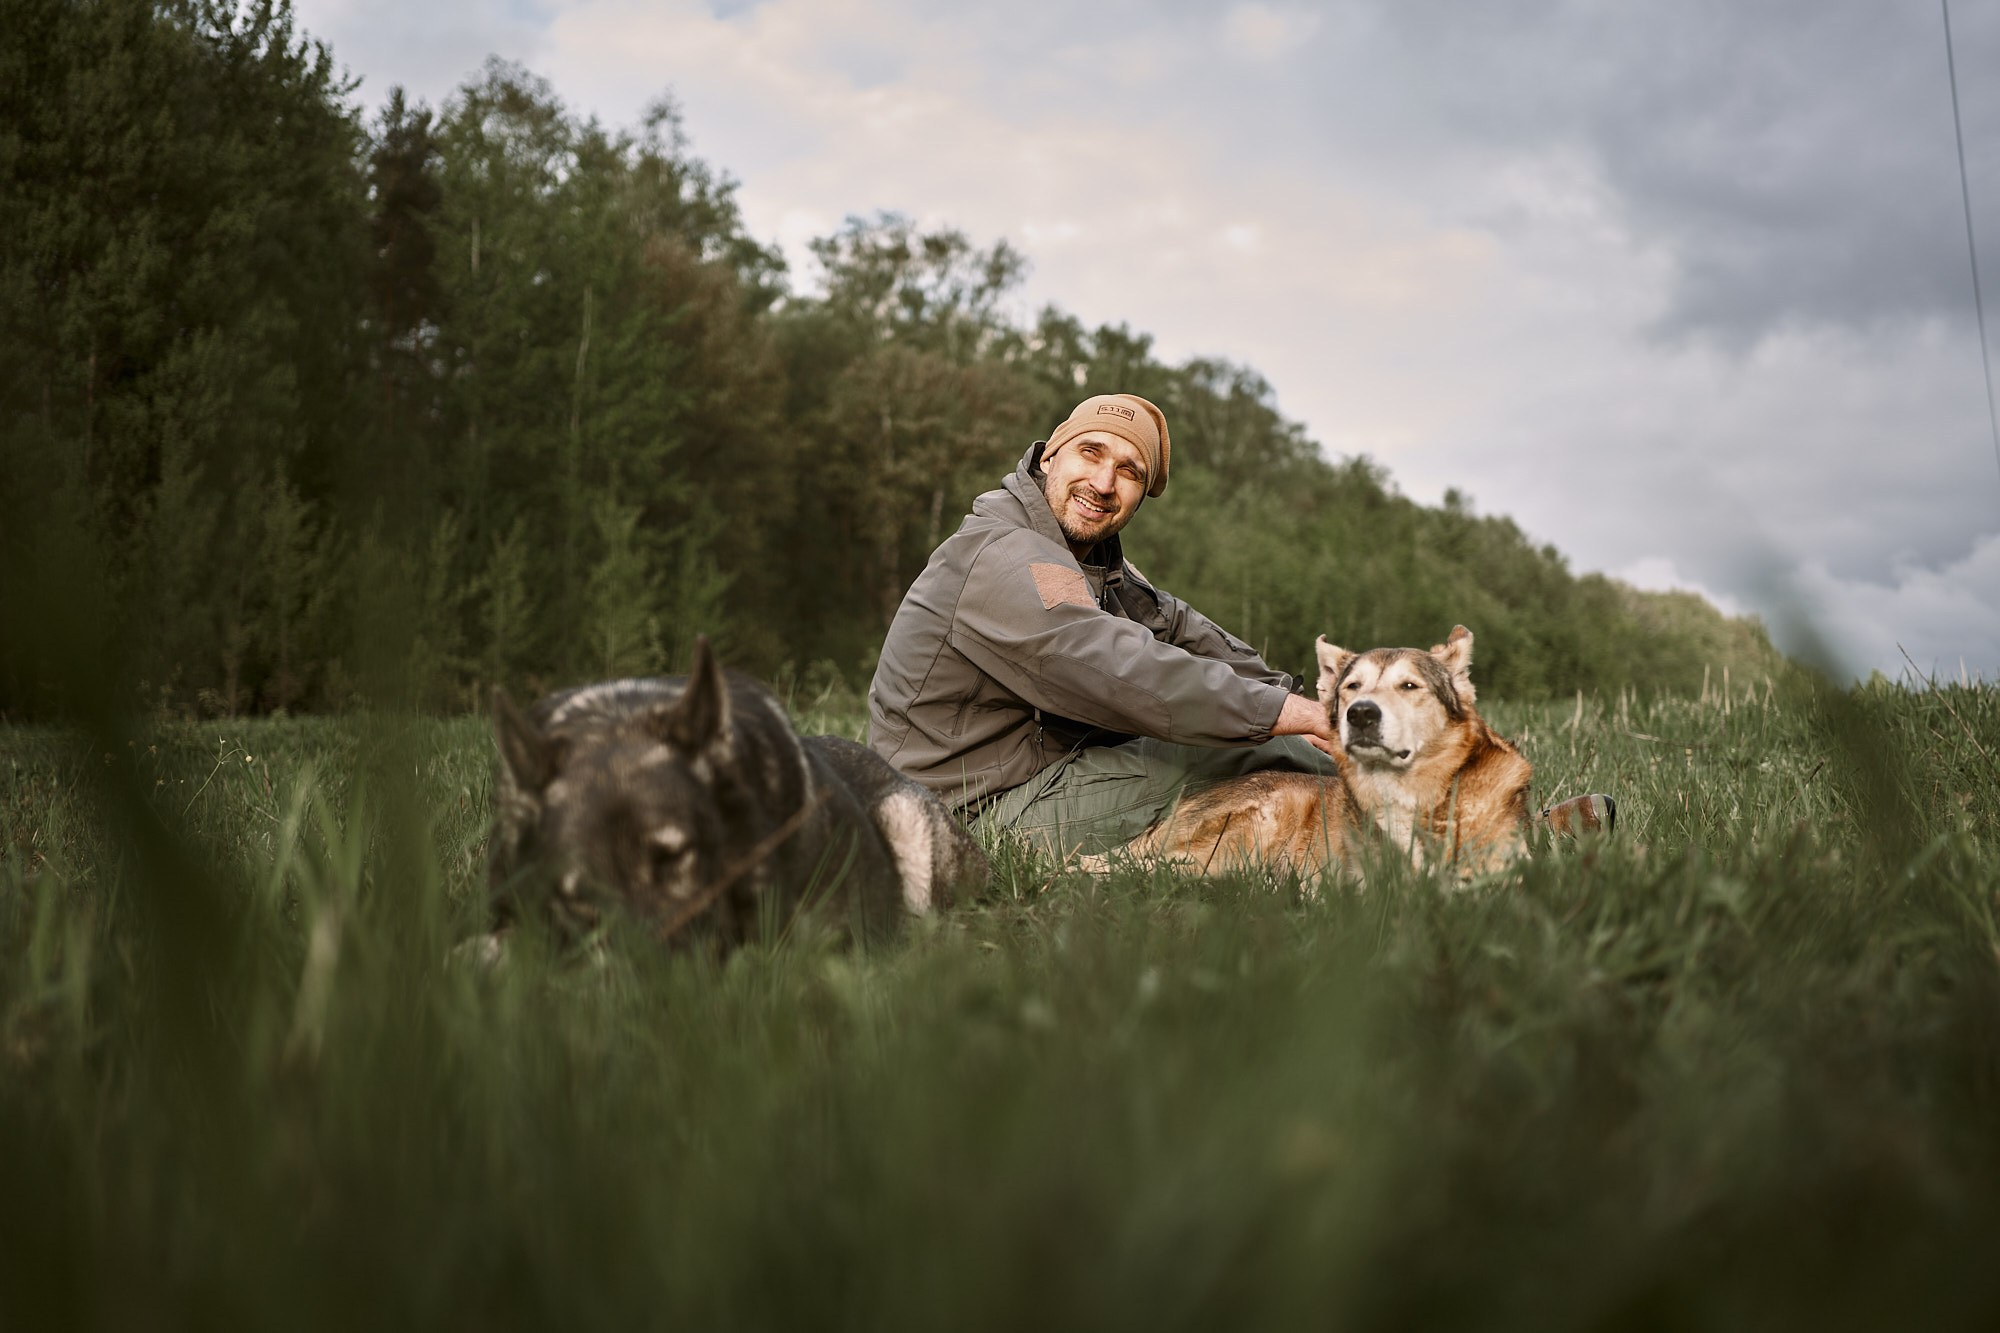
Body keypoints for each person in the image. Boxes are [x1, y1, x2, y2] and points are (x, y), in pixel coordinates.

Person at [867, 392, 1340, 859]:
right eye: (1090, 452)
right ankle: (1391, 832)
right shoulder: (1006, 556)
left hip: (1029, 773)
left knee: (1280, 745)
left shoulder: (1089, 562)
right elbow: (1125, 671)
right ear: (1051, 456)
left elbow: (1175, 625)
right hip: (961, 814)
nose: (1103, 481)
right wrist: (1291, 717)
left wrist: (1296, 696)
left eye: (1129, 471)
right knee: (1251, 753)